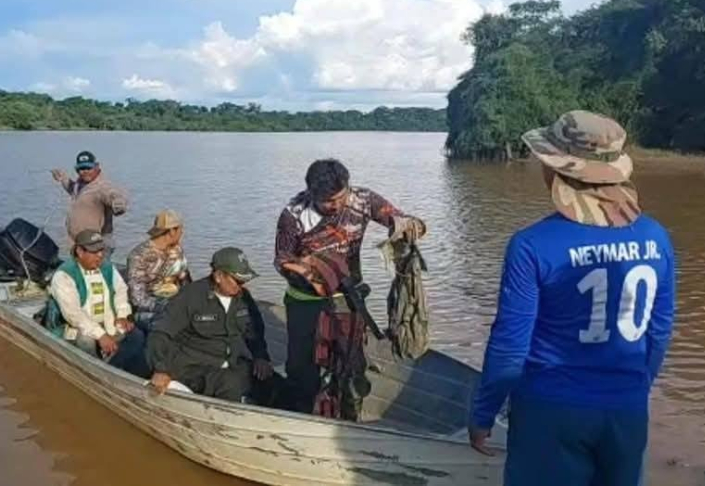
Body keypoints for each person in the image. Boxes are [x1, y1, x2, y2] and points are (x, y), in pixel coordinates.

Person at [468, 110, 676, 486]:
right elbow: (659, 331)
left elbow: (510, 347)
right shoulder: (656, 238)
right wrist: (634, 387)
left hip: (551, 412)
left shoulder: (531, 245)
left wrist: (483, 414)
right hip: (626, 409)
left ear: (558, 171)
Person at [273, 158, 426, 414]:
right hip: (304, 301)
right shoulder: (293, 214)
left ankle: (349, 417)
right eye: (328, 201)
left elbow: (397, 219)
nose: (336, 205)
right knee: (302, 368)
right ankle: (302, 415)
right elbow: (281, 260)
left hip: (348, 297)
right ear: (311, 193)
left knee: (352, 366)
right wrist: (309, 272)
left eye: (340, 197)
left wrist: (412, 227)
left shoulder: (362, 200)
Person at [146, 247, 273, 402]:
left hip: (231, 362)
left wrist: (261, 357)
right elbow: (160, 332)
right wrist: (160, 369)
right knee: (230, 384)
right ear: (219, 276)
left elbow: (254, 331)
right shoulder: (191, 296)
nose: (241, 287)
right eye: (238, 281)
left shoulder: (243, 298)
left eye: (245, 281)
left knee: (272, 382)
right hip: (192, 367)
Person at [49, 229, 149, 377]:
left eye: (101, 250)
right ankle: (95, 374)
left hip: (106, 323)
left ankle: (116, 367)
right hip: (73, 327)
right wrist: (100, 335)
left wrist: (123, 314)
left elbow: (120, 291)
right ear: (80, 251)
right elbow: (73, 315)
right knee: (86, 340)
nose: (100, 255)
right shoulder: (64, 275)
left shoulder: (107, 267)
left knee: (137, 336)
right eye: (94, 252)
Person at [52, 150, 129, 256]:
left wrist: (119, 203)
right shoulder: (79, 185)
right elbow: (71, 188)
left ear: (96, 167)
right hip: (80, 244)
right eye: (81, 169)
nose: (85, 171)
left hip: (97, 246)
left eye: (88, 168)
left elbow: (113, 194)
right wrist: (62, 177)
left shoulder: (102, 187)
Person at [126, 209, 192, 331]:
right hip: (149, 310)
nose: (182, 233)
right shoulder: (139, 256)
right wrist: (168, 306)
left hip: (176, 303)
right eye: (181, 230)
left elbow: (186, 282)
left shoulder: (177, 250)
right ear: (172, 231)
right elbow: (137, 298)